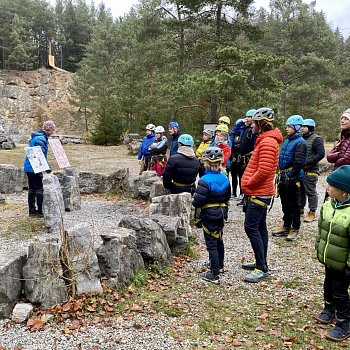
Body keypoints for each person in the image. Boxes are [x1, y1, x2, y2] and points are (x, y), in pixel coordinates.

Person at [241, 108, 283, 282]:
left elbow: (265, 170)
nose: (251, 127)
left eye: (253, 124)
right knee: (259, 227)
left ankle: (261, 268)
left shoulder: (267, 143)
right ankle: (261, 260)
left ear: (261, 124)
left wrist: (248, 183)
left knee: (251, 227)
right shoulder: (266, 140)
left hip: (259, 192)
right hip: (261, 192)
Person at [314, 165, 350, 342]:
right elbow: (321, 229)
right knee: (328, 285)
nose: (326, 188)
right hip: (329, 259)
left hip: (345, 264)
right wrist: (319, 248)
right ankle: (329, 309)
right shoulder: (328, 205)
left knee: (340, 290)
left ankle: (344, 322)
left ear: (344, 191)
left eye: (330, 186)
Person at [192, 147, 231, 284]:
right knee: (219, 238)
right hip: (221, 213)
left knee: (211, 243)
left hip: (209, 213)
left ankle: (214, 274)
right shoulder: (225, 178)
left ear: (206, 163)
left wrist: (194, 200)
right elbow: (227, 196)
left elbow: (198, 202)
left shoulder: (204, 180)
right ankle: (219, 264)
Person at [273, 115, 307, 241]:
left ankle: (295, 228)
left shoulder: (300, 143)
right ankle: (286, 226)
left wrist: (291, 178)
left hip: (292, 178)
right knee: (285, 203)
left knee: (294, 204)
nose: (286, 129)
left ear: (296, 127)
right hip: (283, 177)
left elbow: (298, 163)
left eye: (289, 126)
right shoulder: (287, 141)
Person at [23, 120, 56, 216]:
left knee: (32, 189)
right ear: (48, 129)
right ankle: (40, 211)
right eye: (53, 130)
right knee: (39, 189)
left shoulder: (37, 137)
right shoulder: (41, 139)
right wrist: (48, 169)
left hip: (29, 167)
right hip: (35, 167)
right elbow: (40, 157)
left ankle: (32, 211)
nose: (53, 132)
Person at [300, 119, 325, 222]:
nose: (302, 128)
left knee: (310, 191)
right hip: (300, 170)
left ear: (310, 128)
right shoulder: (300, 138)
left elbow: (320, 154)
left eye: (305, 126)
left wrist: (307, 163)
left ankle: (312, 212)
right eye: (302, 126)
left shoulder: (316, 139)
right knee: (300, 191)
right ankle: (300, 209)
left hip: (311, 170)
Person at [237, 109, 257, 204]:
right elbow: (236, 130)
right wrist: (241, 122)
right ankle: (244, 196)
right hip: (243, 157)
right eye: (247, 117)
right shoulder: (245, 129)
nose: (247, 119)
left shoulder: (254, 131)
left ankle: (248, 197)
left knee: (249, 177)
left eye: (250, 117)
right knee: (242, 177)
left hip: (250, 157)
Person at [230, 118, 245, 197]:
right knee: (233, 175)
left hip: (240, 156)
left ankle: (242, 192)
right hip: (234, 156)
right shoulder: (233, 135)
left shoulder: (243, 133)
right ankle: (234, 191)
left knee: (241, 175)